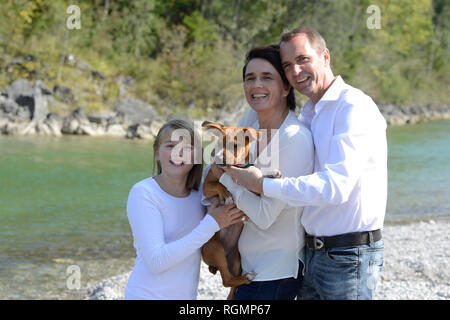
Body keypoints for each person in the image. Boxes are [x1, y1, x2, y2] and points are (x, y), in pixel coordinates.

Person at [214, 26, 387, 300]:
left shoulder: (353, 107)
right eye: (287, 65)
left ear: (325, 56)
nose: (295, 71)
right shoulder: (308, 113)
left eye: (302, 59)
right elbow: (243, 129)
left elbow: (336, 186)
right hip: (312, 254)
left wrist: (261, 185)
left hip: (349, 254)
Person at [209, 45, 314, 300]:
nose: (256, 85)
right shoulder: (252, 120)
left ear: (286, 87)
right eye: (250, 78)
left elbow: (264, 216)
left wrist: (225, 177)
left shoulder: (293, 139)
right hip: (246, 268)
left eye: (267, 77)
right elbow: (215, 157)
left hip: (274, 274)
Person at [124, 119, 245, 300]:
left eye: (187, 148)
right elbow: (156, 261)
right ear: (157, 153)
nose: (178, 153)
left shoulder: (203, 195)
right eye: (170, 145)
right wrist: (212, 223)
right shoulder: (144, 193)